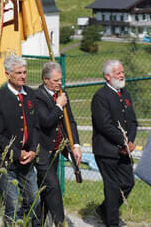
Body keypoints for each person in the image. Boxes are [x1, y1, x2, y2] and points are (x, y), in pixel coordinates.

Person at [0, 55, 41, 227]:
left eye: (25, 72)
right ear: (8, 74)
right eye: (18, 73)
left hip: (27, 159)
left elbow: (36, 127)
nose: (23, 76)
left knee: (34, 200)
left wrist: (32, 150)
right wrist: (18, 153)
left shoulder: (31, 95)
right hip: (6, 161)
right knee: (12, 205)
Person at [91, 60, 137, 227]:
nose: (122, 75)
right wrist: (122, 142)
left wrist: (130, 141)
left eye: (122, 72)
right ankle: (112, 222)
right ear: (108, 76)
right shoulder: (100, 97)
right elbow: (105, 125)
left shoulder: (125, 94)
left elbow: (132, 121)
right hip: (106, 150)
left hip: (125, 149)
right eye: (118, 73)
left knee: (128, 182)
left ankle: (104, 210)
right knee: (112, 187)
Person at [35, 61, 81, 226]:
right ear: (45, 80)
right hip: (42, 152)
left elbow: (71, 123)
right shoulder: (38, 96)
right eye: (55, 81)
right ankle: (61, 223)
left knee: (46, 191)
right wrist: (58, 106)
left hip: (57, 150)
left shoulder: (62, 94)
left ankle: (36, 222)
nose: (59, 83)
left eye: (60, 80)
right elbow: (47, 122)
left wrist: (75, 145)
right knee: (53, 187)